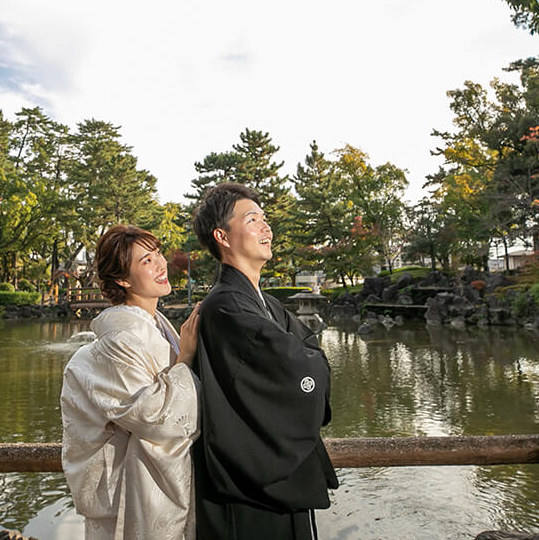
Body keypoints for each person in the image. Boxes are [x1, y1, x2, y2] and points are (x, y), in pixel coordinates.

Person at [191, 183, 338, 539]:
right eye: (253, 219)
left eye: (265, 219)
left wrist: (311, 361)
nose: (266, 228)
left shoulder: (265, 303)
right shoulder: (225, 307)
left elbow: (311, 354)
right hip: (248, 490)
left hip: (274, 481)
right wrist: (310, 362)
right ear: (222, 236)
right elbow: (303, 366)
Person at [60, 224, 202, 540]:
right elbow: (151, 416)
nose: (161, 264)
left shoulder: (155, 326)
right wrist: (186, 360)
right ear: (123, 279)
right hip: (129, 493)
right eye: (146, 261)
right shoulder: (121, 339)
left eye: (158, 255)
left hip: (150, 483)